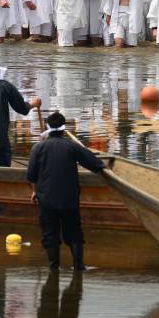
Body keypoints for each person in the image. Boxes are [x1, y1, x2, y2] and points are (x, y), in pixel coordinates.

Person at [26, 111, 105, 271]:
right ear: (63, 129)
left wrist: (35, 192)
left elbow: (31, 175)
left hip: (46, 199)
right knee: (74, 232)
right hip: (69, 199)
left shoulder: (38, 148)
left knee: (50, 234)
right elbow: (95, 164)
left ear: (48, 128)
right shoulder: (72, 146)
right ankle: (79, 266)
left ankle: (54, 267)